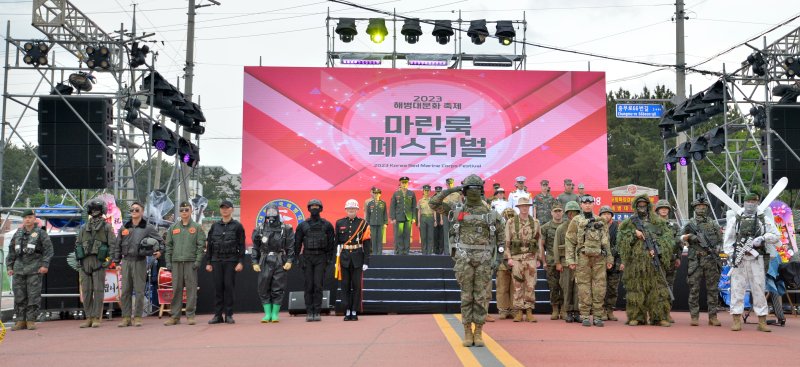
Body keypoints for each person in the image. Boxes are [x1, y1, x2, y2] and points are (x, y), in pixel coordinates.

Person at [430, 174, 504, 348]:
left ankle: (478, 332)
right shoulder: (456, 210)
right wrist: (454, 189)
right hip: (464, 259)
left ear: (481, 190)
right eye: (469, 189)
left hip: (484, 260)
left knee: (481, 297)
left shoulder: (490, 212)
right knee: (466, 296)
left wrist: (499, 259)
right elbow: (433, 203)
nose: (473, 192)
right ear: (464, 191)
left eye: (476, 188)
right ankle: (467, 331)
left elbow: (501, 237)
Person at [723, 192, 778, 332]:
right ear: (744, 202)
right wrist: (732, 255)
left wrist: (764, 238)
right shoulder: (736, 219)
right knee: (737, 289)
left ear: (757, 203)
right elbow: (728, 239)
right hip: (740, 259)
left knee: (759, 288)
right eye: (749, 201)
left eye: (754, 202)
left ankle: (762, 320)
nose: (751, 204)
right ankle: (736, 319)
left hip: (757, 259)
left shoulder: (763, 218)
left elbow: (776, 236)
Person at [618, 195, 672, 327]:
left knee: (658, 290)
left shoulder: (658, 222)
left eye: (644, 204)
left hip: (654, 262)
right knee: (635, 290)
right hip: (635, 263)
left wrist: (658, 249)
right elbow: (621, 239)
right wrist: (633, 233)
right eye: (639, 205)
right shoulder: (629, 223)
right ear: (635, 206)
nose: (642, 207)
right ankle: (636, 317)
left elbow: (668, 238)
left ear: (648, 206)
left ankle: (659, 317)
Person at [111, 202, 162, 327]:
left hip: (140, 261)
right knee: (125, 291)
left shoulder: (148, 228)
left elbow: (161, 241)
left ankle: (138, 317)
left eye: (137, 210)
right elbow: (117, 245)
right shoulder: (124, 227)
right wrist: (117, 262)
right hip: (126, 261)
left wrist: (159, 251)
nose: (134, 211)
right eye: (132, 209)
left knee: (139, 291)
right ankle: (126, 317)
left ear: (142, 212)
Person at [565, 195, 613, 327]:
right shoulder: (576, 220)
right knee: (583, 287)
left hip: (599, 258)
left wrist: (609, 258)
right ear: (581, 205)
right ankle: (585, 315)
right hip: (582, 258)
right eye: (585, 203)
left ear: (593, 204)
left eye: (590, 203)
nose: (587, 205)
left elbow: (606, 241)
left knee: (600, 287)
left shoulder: (600, 220)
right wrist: (570, 260)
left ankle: (598, 316)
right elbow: (570, 241)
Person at [6, 210, 53, 331]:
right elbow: (11, 251)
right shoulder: (18, 233)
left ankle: (31, 320)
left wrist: (45, 265)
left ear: (34, 219)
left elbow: (48, 250)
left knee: (33, 296)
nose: (27, 219)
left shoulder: (41, 233)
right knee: (19, 296)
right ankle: (20, 320)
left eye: (30, 217)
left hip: (34, 269)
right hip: (18, 269)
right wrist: (9, 267)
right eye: (25, 217)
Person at [679, 197, 722, 327]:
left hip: (711, 260)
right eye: (698, 207)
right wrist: (689, 237)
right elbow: (679, 238)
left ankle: (713, 317)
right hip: (696, 260)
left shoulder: (713, 224)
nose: (701, 209)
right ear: (694, 209)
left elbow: (720, 240)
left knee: (713, 289)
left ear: (707, 209)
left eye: (703, 207)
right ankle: (694, 316)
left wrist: (718, 248)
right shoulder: (690, 224)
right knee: (694, 289)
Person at [164, 201, 206, 326]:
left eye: (186, 210)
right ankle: (175, 317)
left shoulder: (197, 227)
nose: (184, 212)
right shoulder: (173, 228)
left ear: (191, 211)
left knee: (191, 291)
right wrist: (168, 262)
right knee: (176, 290)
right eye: (181, 210)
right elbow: (168, 246)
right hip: (176, 262)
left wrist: (198, 261)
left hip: (190, 262)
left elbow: (201, 246)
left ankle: (190, 315)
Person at [76, 199, 116, 328]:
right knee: (86, 291)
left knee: (98, 290)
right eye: (92, 209)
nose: (95, 212)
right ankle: (89, 317)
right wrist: (79, 261)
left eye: (97, 209)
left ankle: (96, 317)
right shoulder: (84, 227)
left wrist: (109, 261)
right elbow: (78, 244)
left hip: (99, 262)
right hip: (85, 262)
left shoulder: (107, 227)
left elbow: (112, 245)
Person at [251, 203, 295, 323]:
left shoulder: (286, 228)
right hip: (264, 260)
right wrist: (254, 262)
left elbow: (290, 246)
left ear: (278, 213)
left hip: (279, 260)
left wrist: (290, 260)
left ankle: (275, 314)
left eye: (273, 211)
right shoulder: (260, 228)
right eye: (269, 212)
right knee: (263, 287)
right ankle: (267, 314)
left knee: (278, 287)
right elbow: (255, 247)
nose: (271, 214)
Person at [204, 200, 245, 324]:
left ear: (232, 209)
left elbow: (241, 245)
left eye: (227, 208)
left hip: (231, 260)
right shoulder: (214, 226)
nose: (225, 210)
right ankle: (217, 315)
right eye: (222, 208)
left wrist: (240, 262)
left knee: (229, 287)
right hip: (216, 260)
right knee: (218, 288)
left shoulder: (237, 226)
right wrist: (208, 262)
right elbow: (209, 245)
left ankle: (229, 315)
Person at [295, 199, 335, 322]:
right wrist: (298, 258)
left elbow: (331, 244)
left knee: (318, 285)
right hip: (307, 258)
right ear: (308, 208)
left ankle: (317, 311)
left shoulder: (327, 225)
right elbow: (297, 243)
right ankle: (309, 312)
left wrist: (328, 259)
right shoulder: (302, 225)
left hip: (321, 258)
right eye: (312, 206)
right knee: (309, 286)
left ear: (321, 208)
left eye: (317, 206)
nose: (314, 208)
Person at [504, 197, 543, 323]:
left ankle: (529, 311)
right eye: (522, 206)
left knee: (530, 284)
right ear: (519, 207)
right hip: (516, 258)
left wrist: (539, 258)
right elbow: (507, 241)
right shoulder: (511, 222)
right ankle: (519, 311)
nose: (524, 208)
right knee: (517, 285)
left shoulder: (535, 222)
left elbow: (539, 241)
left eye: (526, 206)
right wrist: (509, 257)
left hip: (531, 257)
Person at [336, 199, 371, 321]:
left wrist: (366, 261)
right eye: (349, 209)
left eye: (353, 209)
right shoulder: (339, 223)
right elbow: (337, 243)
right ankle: (347, 310)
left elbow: (367, 244)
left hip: (357, 258)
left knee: (356, 286)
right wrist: (336, 260)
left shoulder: (363, 223)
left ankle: (354, 310)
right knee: (345, 286)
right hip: (344, 258)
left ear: (357, 210)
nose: (351, 211)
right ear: (346, 210)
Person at [655, 199, 682, 323]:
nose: (664, 210)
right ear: (657, 210)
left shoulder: (674, 225)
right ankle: (657, 313)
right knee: (657, 287)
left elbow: (679, 242)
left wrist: (678, 257)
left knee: (669, 286)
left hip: (671, 260)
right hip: (658, 260)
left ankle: (667, 312)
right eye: (662, 208)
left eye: (666, 208)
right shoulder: (653, 224)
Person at [553, 201, 580, 323]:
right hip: (565, 263)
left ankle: (577, 312)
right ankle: (568, 311)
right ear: (567, 214)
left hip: (579, 262)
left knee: (578, 289)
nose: (572, 215)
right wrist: (558, 262)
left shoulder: (582, 226)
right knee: (567, 288)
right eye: (570, 213)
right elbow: (556, 246)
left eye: (575, 213)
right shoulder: (561, 228)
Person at [599, 205, 623, 322]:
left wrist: (622, 261)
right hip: (600, 262)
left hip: (615, 261)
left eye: (608, 214)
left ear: (612, 216)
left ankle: (610, 311)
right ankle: (602, 311)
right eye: (604, 214)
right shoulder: (597, 227)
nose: (606, 216)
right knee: (601, 288)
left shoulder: (618, 228)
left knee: (613, 288)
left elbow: (622, 246)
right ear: (600, 216)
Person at [541, 203, 564, 320]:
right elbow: (541, 245)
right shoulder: (545, 227)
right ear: (551, 213)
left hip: (564, 260)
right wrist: (544, 261)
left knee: (565, 285)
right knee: (553, 286)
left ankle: (564, 309)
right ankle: (555, 309)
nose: (558, 213)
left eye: (559, 211)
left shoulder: (567, 226)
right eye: (555, 211)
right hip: (551, 261)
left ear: (563, 212)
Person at [390, 177, 417, 255]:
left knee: (407, 235)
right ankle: (400, 251)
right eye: (403, 183)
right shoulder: (396, 194)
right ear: (400, 184)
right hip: (399, 217)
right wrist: (393, 218)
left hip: (408, 217)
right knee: (399, 235)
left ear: (408, 184)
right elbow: (392, 206)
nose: (404, 184)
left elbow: (414, 206)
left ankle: (406, 251)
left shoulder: (411, 193)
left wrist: (414, 217)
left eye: (406, 183)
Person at [365, 188, 387, 255]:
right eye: (375, 193)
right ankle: (374, 253)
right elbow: (368, 214)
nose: (376, 195)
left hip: (381, 224)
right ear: (373, 194)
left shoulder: (383, 203)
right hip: (372, 224)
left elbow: (385, 213)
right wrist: (368, 224)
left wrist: (385, 223)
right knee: (373, 239)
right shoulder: (370, 203)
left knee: (380, 239)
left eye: (377, 193)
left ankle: (379, 253)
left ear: (380, 194)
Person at [417, 185, 435, 255]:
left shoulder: (432, 200)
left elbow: (434, 211)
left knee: (430, 236)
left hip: (430, 218)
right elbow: (419, 211)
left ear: (430, 191)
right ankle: (424, 253)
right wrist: (418, 222)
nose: (426, 192)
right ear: (423, 191)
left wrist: (435, 220)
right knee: (423, 236)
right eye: (425, 190)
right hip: (423, 218)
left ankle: (429, 252)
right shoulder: (420, 201)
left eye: (428, 191)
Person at [433, 186, 445, 255]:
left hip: (442, 217)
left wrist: (442, 219)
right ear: (435, 191)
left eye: (439, 192)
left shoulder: (444, 199)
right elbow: (433, 210)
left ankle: (441, 250)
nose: (438, 193)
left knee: (441, 236)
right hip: (435, 217)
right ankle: (435, 250)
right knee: (435, 235)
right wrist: (435, 220)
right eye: (437, 192)